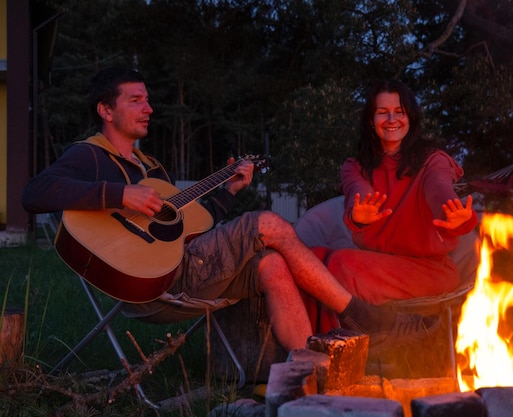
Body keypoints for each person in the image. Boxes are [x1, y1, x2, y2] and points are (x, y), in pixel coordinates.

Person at [22, 67, 438, 354]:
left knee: (273, 264)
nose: (149, 108)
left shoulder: (151, 169)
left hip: (186, 269)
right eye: (136, 100)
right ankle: (364, 317)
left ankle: (309, 378)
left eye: (148, 100)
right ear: (105, 110)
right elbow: (35, 193)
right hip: (148, 285)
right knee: (269, 223)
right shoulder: (91, 157)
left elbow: (186, 231)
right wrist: (119, 195)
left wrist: (229, 192)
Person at [318, 79, 478, 306]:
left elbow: (439, 185)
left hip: (429, 271)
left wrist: (452, 212)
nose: (392, 120)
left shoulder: (432, 160)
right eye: (383, 112)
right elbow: (358, 189)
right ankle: (309, 338)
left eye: (399, 112)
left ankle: (344, 338)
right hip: (377, 264)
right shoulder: (355, 166)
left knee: (339, 264)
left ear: (410, 118)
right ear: (371, 121)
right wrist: (357, 214)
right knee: (310, 259)